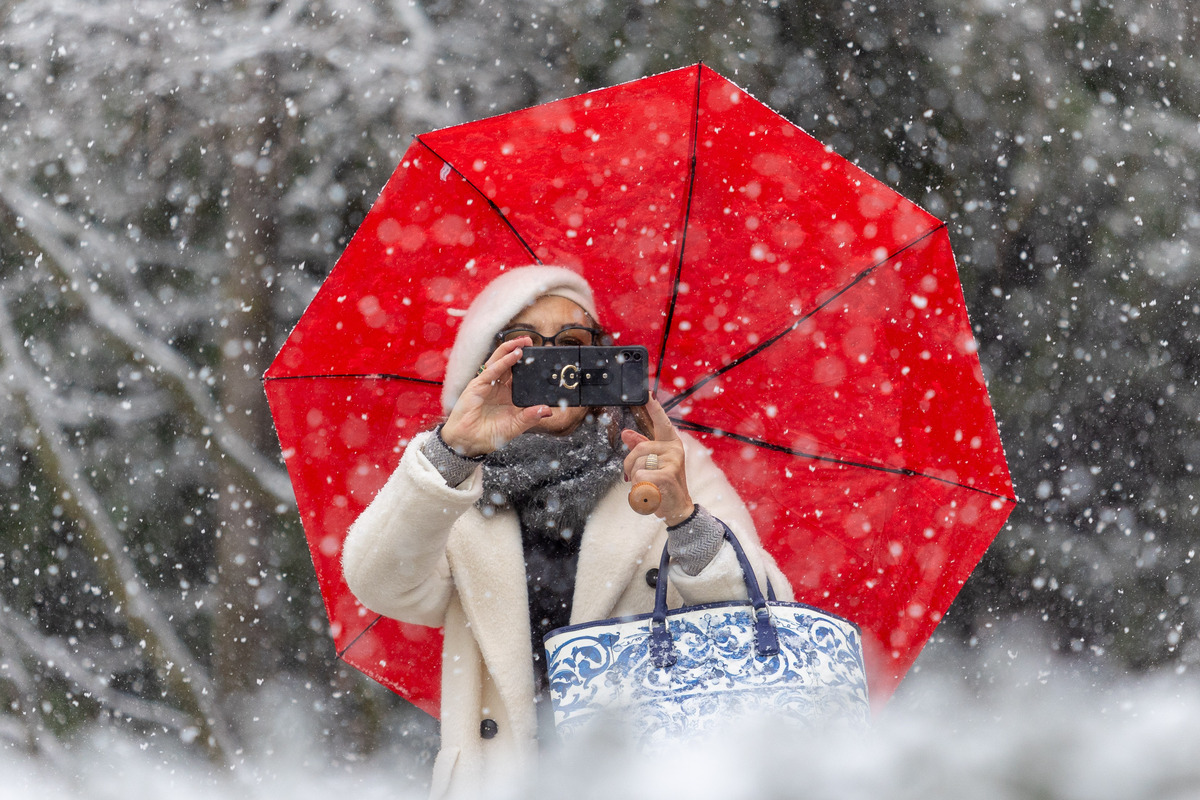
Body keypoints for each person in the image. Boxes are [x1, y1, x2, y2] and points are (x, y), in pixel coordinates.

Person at [342, 266, 792, 798]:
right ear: (485, 368)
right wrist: (452, 453)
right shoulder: (456, 479)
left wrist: (683, 517)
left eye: (574, 344)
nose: (557, 366)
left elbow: (768, 615)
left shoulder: (663, 459)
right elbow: (378, 581)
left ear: (601, 359)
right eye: (525, 348)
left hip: (640, 778)